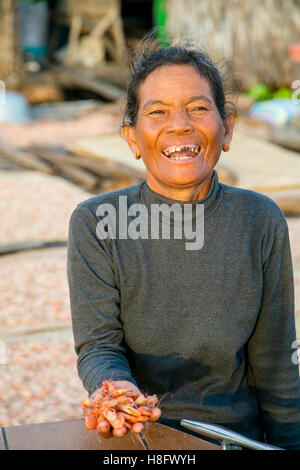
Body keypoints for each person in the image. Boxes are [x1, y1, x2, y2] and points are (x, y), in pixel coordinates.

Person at [67, 38, 300, 449]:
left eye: (198, 107)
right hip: (139, 436)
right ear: (133, 137)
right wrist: (119, 392)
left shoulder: (260, 219)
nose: (180, 124)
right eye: (157, 112)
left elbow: (278, 362)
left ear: (227, 128)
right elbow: (99, 346)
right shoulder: (96, 222)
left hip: (235, 438)